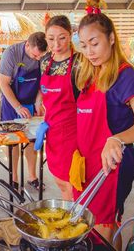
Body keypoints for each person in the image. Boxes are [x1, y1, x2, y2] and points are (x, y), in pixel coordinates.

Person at [76, 10, 134, 248]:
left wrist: (117, 139)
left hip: (113, 164)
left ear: (111, 38)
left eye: (94, 43)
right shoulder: (91, 73)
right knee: (103, 225)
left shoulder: (126, 76)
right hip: (90, 162)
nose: (89, 52)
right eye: (84, 45)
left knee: (103, 227)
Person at [36, 15, 80, 200]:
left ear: (70, 35)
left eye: (62, 37)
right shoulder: (45, 61)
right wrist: (39, 99)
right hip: (52, 131)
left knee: (72, 182)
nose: (56, 44)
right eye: (51, 39)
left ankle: (72, 222)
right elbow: (44, 88)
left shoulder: (80, 62)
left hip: (72, 131)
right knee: (59, 181)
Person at [0, 32, 48, 190]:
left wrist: (39, 101)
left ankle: (32, 176)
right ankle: (14, 178)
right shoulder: (11, 54)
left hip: (31, 102)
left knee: (31, 141)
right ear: (27, 44)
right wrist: (18, 107)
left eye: (40, 57)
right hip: (12, 103)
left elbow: (42, 83)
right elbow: (4, 84)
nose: (37, 59)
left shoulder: (42, 57)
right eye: (34, 56)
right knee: (12, 142)